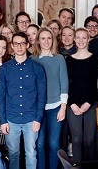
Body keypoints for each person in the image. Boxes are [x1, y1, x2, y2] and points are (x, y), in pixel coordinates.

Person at [0, 32, 47, 169]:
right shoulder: (5, 69)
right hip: (11, 119)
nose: (19, 46)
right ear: (12, 46)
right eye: (16, 43)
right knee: (13, 153)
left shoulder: (37, 68)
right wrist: (3, 121)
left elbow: (42, 96)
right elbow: (0, 97)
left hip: (31, 119)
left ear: (28, 45)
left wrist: (38, 118)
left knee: (31, 153)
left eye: (22, 43)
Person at [32, 28, 69, 169]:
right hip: (38, 109)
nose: (46, 41)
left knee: (54, 144)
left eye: (49, 38)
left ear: (53, 40)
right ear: (38, 41)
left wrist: (63, 107)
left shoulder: (59, 59)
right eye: (43, 38)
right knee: (39, 144)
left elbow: (64, 83)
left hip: (56, 107)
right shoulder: (32, 60)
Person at [65, 28, 98, 162]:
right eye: (78, 37)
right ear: (74, 39)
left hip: (91, 103)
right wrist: (72, 104)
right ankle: (77, 166)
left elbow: (97, 84)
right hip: (73, 104)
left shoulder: (96, 59)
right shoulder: (68, 60)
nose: (81, 40)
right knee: (76, 138)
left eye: (84, 38)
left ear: (88, 39)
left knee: (89, 140)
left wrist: (88, 103)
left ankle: (89, 166)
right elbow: (66, 84)